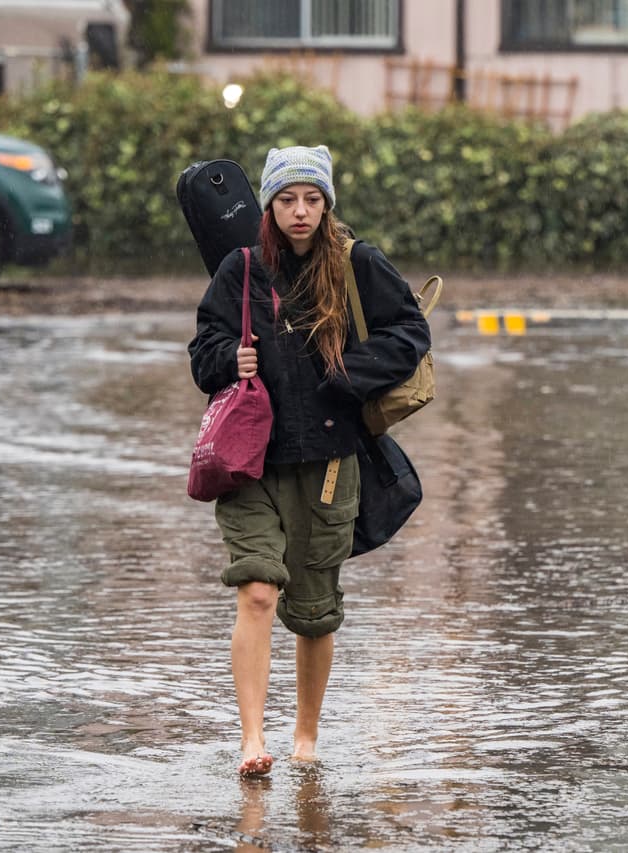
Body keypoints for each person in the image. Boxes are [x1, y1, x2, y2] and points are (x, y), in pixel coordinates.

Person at [188, 145, 430, 778]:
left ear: (327, 206)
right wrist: (225, 362)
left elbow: (409, 333)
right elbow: (202, 349)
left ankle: (305, 736)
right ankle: (251, 740)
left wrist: (350, 373)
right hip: (249, 462)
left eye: (313, 200)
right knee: (258, 590)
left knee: (315, 610)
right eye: (288, 199)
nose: (301, 211)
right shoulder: (240, 269)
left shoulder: (357, 263)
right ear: (268, 204)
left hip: (329, 464)